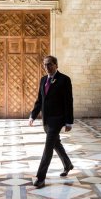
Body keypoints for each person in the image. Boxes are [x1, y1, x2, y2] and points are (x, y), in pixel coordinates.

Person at [29, 55, 74, 188]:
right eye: (45, 65)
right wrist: (33, 115)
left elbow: (68, 101)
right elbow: (40, 100)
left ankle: (41, 178)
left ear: (56, 65)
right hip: (46, 120)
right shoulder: (43, 80)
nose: (47, 67)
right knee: (56, 143)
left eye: (49, 64)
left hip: (57, 119)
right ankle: (67, 164)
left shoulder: (64, 80)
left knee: (48, 148)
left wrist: (69, 121)